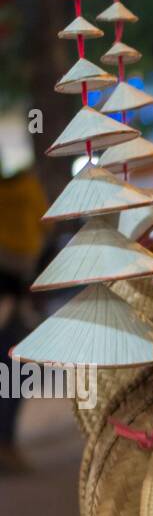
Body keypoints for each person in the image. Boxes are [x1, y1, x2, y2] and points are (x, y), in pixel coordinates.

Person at [0, 167, 47, 473]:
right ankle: (5, 444)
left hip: (13, 293)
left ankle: (5, 444)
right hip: (15, 292)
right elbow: (44, 228)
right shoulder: (29, 188)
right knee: (15, 369)